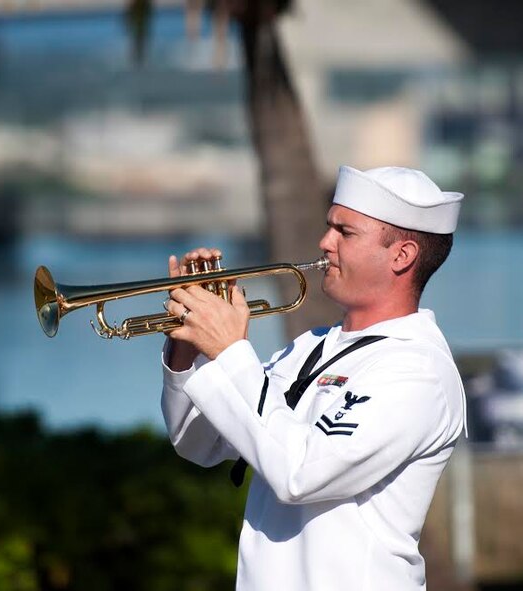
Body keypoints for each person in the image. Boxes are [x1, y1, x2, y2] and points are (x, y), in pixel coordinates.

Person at [161, 165, 466, 591]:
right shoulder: (309, 346)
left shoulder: (417, 371)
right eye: (329, 227)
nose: (325, 243)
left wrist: (230, 349)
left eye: (346, 232)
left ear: (402, 256)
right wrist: (188, 346)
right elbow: (197, 442)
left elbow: (299, 473)